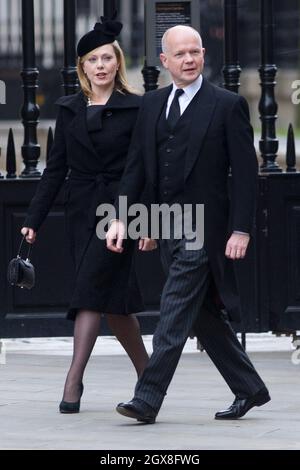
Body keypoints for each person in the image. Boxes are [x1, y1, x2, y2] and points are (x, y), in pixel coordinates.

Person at [106, 25, 271, 423]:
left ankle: (147, 398)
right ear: (165, 61)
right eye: (180, 54)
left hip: (205, 230)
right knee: (201, 316)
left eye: (195, 51)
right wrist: (127, 219)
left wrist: (241, 229)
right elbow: (137, 171)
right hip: (165, 226)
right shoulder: (152, 105)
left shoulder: (227, 104)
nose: (190, 59)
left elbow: (246, 174)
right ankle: (249, 388)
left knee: (174, 309)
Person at [21, 15, 154, 414]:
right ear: (82, 68)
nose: (100, 66)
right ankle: (150, 377)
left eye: (107, 58)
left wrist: (144, 222)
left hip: (121, 212)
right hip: (81, 210)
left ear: (117, 63)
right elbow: (56, 168)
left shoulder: (137, 108)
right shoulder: (68, 109)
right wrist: (33, 219)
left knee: (89, 294)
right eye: (92, 60)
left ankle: (73, 380)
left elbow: (144, 169)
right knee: (114, 304)